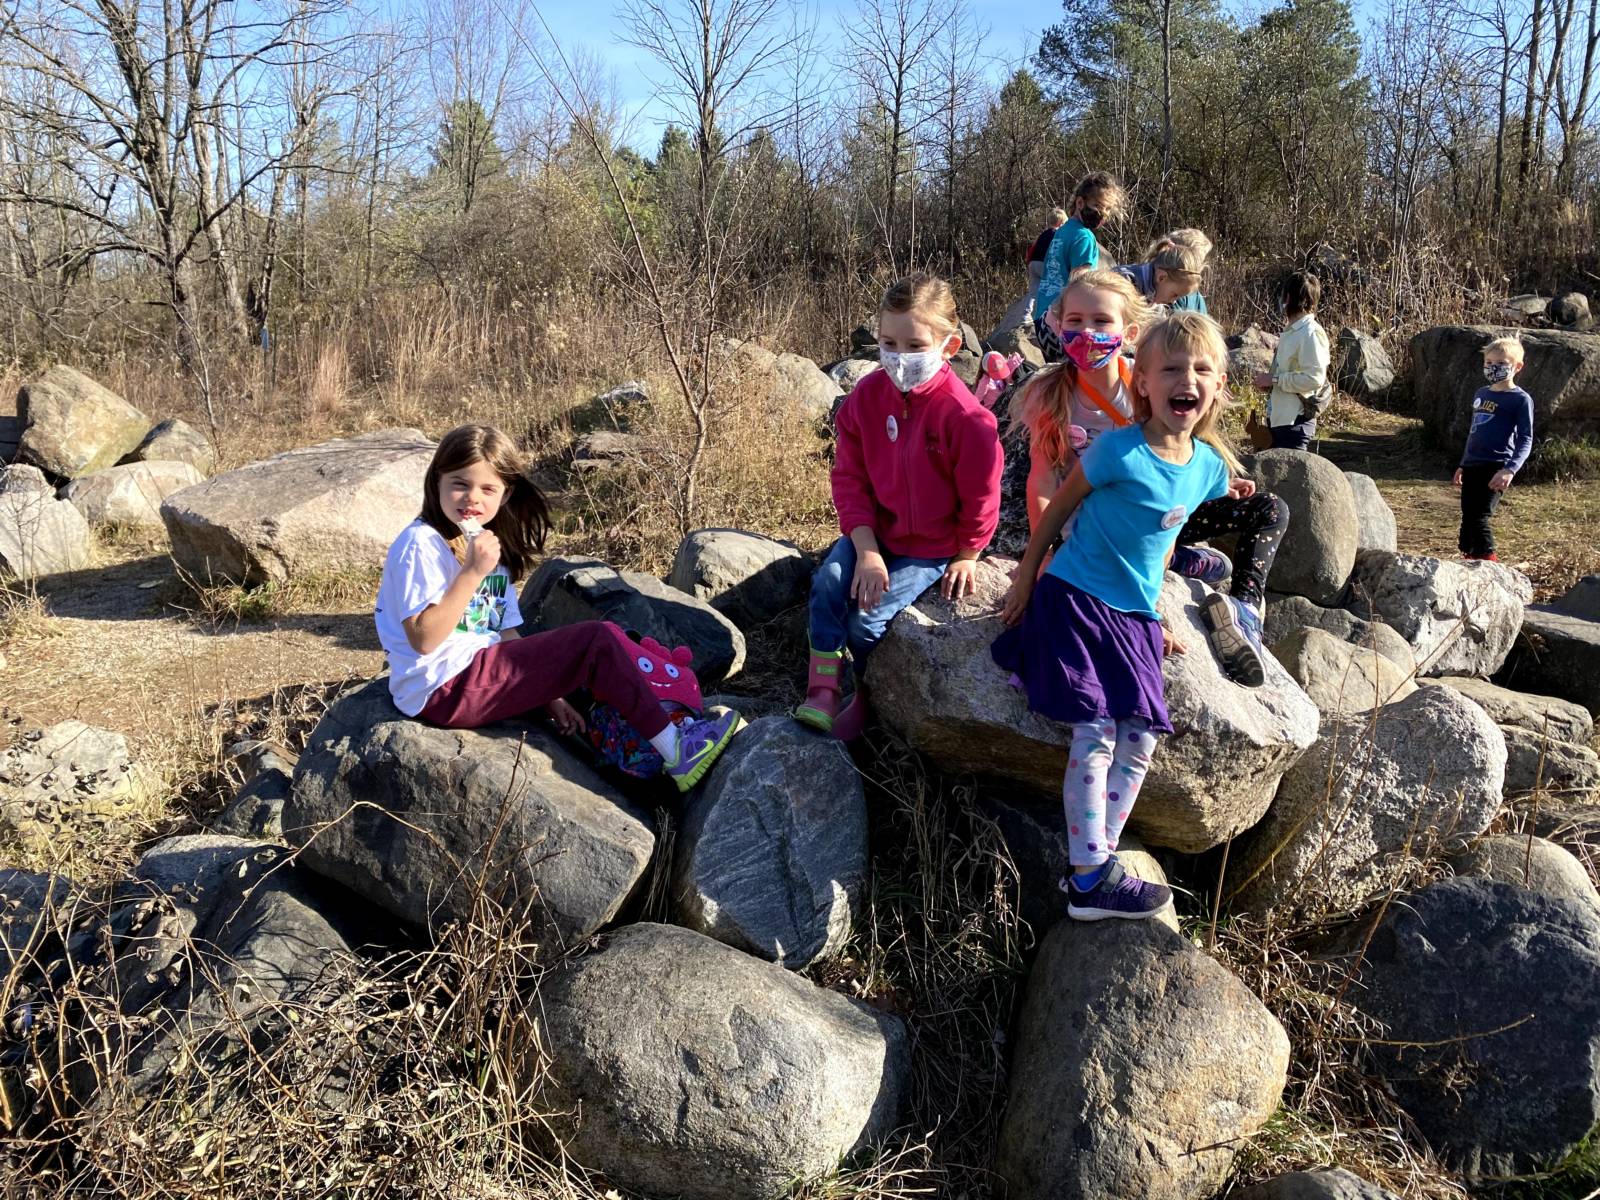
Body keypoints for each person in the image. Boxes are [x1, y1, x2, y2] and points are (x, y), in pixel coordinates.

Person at [993, 311, 1245, 920]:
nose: (1187, 379)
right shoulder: (1115, 451)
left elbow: (1172, 522)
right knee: (1097, 732)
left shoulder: (1209, 466)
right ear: (1144, 384)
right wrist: (1026, 578)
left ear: (1217, 388)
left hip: (1133, 615)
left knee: (1141, 741)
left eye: (1202, 370)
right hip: (1076, 598)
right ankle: (1090, 875)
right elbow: (1056, 514)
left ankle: (1097, 862)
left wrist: (1158, 614)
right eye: (1172, 369)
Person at [374, 424, 742, 792]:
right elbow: (423, 639)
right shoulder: (421, 544)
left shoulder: (487, 550)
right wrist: (471, 573)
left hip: (474, 674)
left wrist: (551, 696)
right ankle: (676, 748)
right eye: (459, 483)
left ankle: (641, 761)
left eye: (487, 488)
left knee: (605, 655)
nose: (471, 498)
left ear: (505, 495)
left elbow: (504, 633)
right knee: (594, 642)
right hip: (443, 686)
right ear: (436, 481)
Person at [795, 273, 1004, 739]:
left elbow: (982, 496)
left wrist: (968, 553)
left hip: (929, 549)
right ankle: (824, 688)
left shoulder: (967, 419)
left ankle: (868, 693)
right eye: (889, 342)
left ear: (948, 346)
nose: (899, 357)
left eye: (915, 345)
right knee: (829, 582)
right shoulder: (866, 398)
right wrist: (866, 550)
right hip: (875, 534)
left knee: (866, 621)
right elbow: (849, 479)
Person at [1013, 269, 1148, 536]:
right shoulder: (1046, 392)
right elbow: (1043, 479)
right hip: (1080, 533)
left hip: (1141, 521)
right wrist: (1042, 556)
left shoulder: (1147, 386)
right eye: (1075, 320)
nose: (1086, 331)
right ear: (1060, 326)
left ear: (1130, 333)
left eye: (1101, 320)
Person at [1453, 336, 1533, 562]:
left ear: (1517, 367)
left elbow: (1526, 438)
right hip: (1472, 465)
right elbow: (1474, 431)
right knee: (1468, 516)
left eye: (1500, 364)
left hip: (1496, 466)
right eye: (1488, 363)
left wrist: (1510, 469)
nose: (1492, 368)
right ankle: (1470, 556)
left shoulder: (1520, 399)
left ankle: (1489, 561)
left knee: (1479, 516)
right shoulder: (1481, 394)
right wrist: (1463, 464)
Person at [1033, 172, 1128, 360]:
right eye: (1099, 206)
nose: (1104, 214)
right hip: (1062, 323)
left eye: (1107, 209)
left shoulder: (1062, 231)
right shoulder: (1084, 237)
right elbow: (1080, 284)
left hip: (1042, 319)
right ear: (1080, 203)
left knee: (1060, 379)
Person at [1254, 270, 1330, 451]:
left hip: (1296, 422)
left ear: (1287, 298)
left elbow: (1314, 379)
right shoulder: (1293, 331)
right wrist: (1271, 382)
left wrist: (1274, 380)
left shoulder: (1311, 333)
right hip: (1280, 420)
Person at [1115, 238, 1207, 314]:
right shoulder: (1122, 283)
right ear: (1161, 277)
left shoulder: (1158, 304)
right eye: (1175, 295)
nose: (1174, 301)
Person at [1026, 208, 1069, 302]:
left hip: (1033, 263)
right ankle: (1052, 309)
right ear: (1061, 222)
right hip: (1043, 263)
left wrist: (1029, 261)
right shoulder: (1057, 234)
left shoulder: (1042, 234)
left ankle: (1026, 314)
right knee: (1055, 286)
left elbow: (1032, 247)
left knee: (1033, 292)